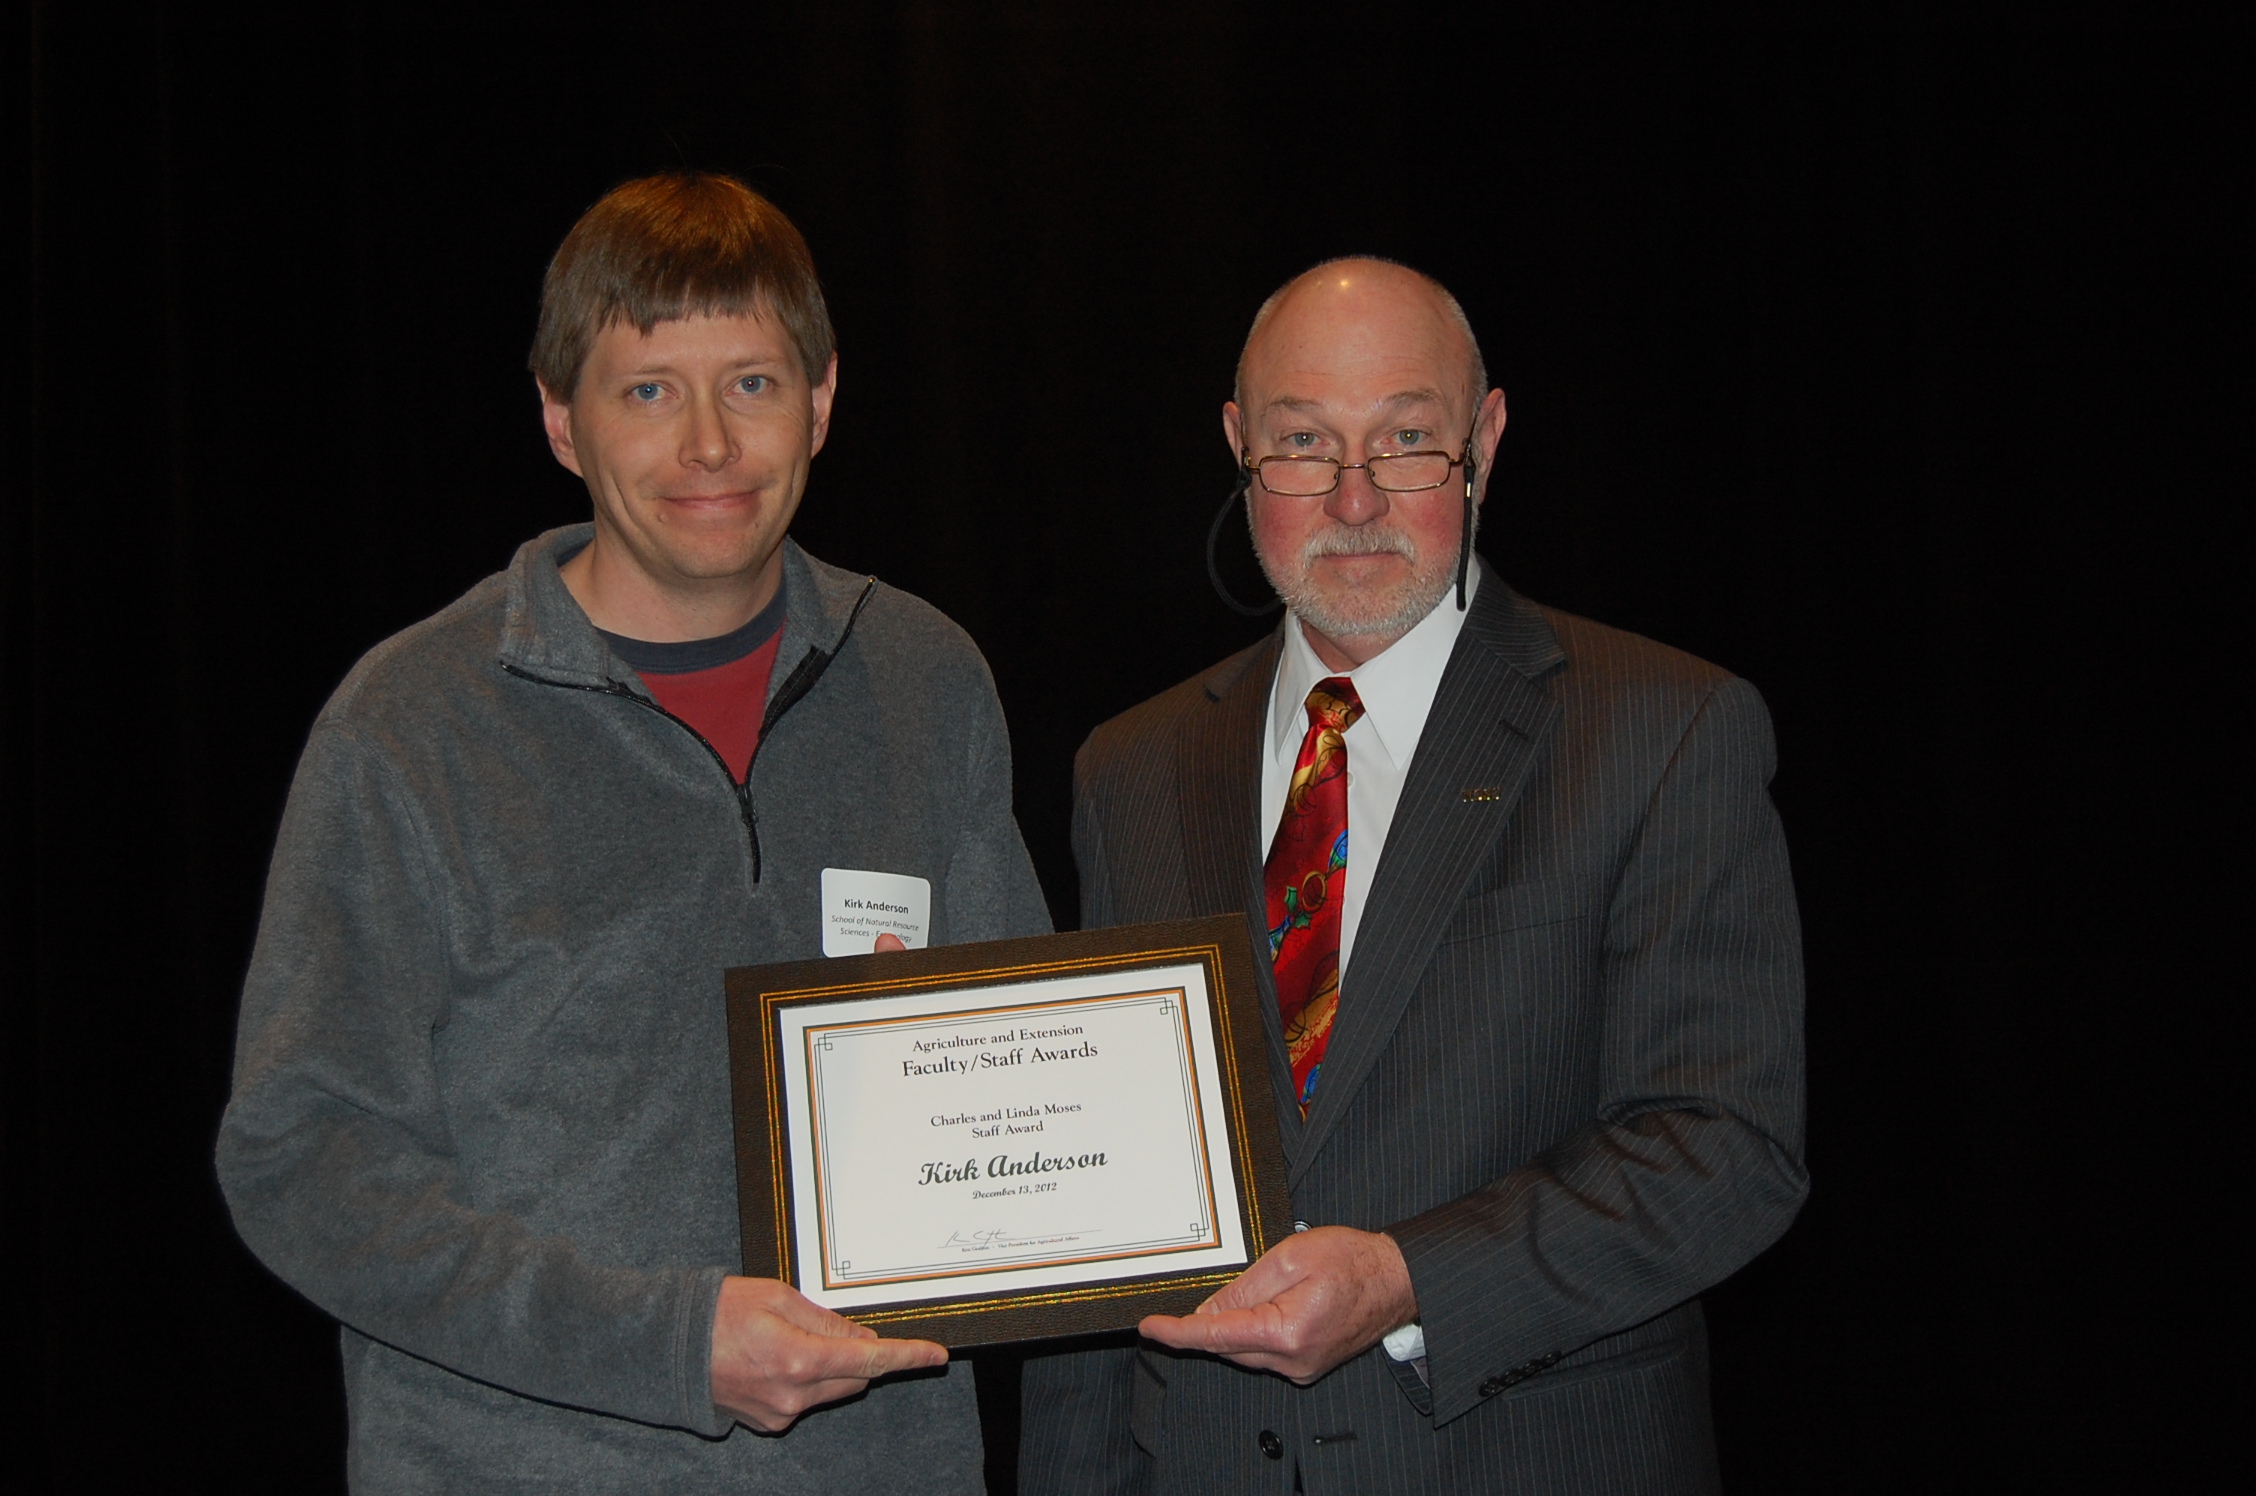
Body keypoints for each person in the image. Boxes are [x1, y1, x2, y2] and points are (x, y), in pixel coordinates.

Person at [216, 173, 1050, 1492]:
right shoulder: (410, 722)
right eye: (649, 389)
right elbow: (302, 1163)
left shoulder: (926, 678)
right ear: (561, 420)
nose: (710, 444)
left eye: (755, 385)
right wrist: (668, 1345)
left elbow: (1018, 1062)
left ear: (824, 401)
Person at [1019, 258, 1807, 1494]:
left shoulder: (1665, 729)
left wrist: (1407, 1279)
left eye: (1406, 439)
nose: (1353, 496)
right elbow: (1103, 1226)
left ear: (1484, 440)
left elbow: (1728, 1147)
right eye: (1301, 441)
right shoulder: (1132, 767)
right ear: (1238, 445)